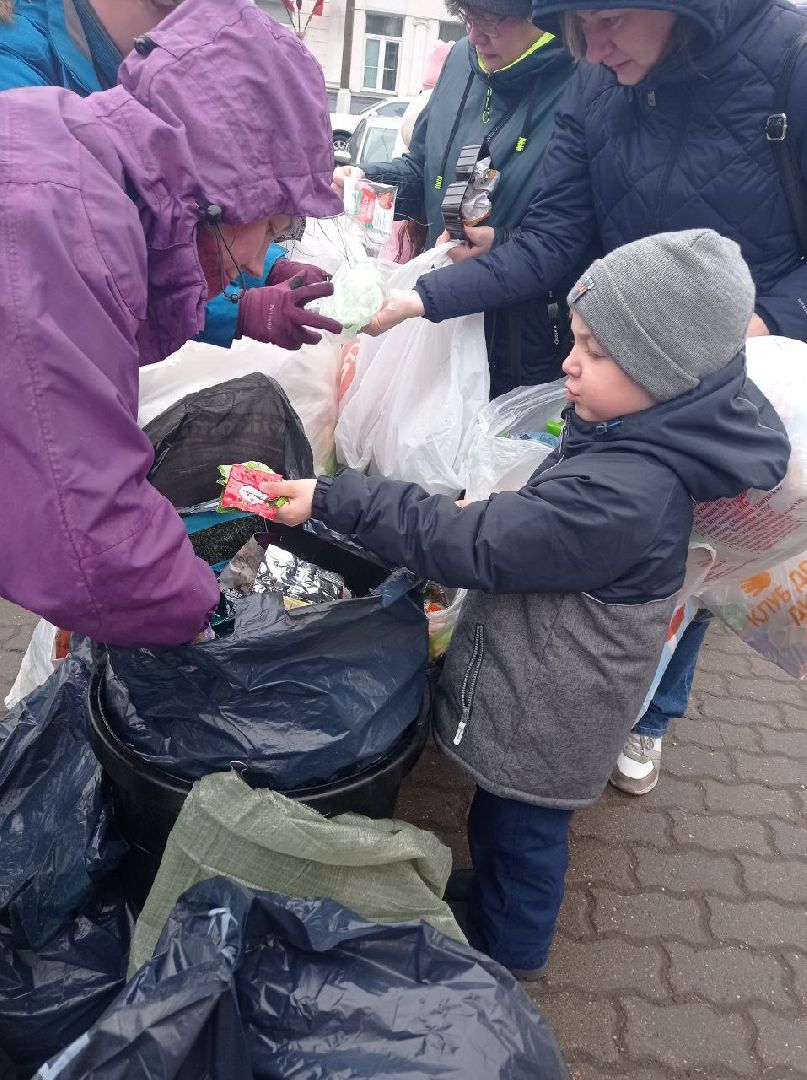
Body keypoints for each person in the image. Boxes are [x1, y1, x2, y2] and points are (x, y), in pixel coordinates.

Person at [260, 229, 790, 977]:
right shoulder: (632, 438)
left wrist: (332, 497)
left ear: (666, 373)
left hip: (552, 716)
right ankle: (501, 901)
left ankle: (507, 958)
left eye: (597, 353)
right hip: (552, 695)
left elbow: (465, 542)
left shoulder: (626, 490)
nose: (570, 362)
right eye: (574, 341)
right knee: (505, 824)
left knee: (522, 831)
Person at [359, 0, 807, 791]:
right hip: (621, 368)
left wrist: (765, 319)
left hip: (746, 376)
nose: (592, 49)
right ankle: (571, 704)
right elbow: (553, 242)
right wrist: (425, 298)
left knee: (696, 556)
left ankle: (649, 712)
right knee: (613, 545)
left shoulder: (790, 58)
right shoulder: (596, 85)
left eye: (611, 20)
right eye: (576, 25)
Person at [0, 0, 342, 648]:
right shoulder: (52, 214)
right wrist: (210, 614)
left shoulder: (85, 169)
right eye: (264, 227)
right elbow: (87, 541)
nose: (251, 263)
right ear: (209, 187)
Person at [0, 0, 333, 352]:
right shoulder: (18, 84)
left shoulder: (110, 63)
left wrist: (269, 266)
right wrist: (238, 309)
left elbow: (180, 201)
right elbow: (84, 267)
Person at [333, 0, 578, 395]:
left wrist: (503, 243)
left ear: (540, 15)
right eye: (467, 18)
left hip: (521, 348)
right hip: (433, 315)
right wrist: (367, 179)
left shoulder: (584, 79)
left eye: (493, 22)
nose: (475, 35)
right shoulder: (461, 59)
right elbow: (422, 171)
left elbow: (582, 235)